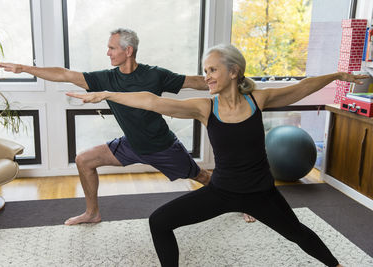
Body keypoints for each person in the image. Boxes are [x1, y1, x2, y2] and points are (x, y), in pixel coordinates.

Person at [66, 44, 365, 266]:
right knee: (159, 221)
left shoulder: (257, 100)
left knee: (298, 233)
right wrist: (106, 94)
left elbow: (302, 88)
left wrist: (338, 75)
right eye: (205, 70)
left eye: (212, 70)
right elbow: (151, 101)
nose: (206, 77)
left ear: (234, 71)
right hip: (221, 192)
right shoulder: (205, 107)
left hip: (262, 194)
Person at [0, 28, 255, 225]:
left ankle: (244, 202)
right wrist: (23, 68)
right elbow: (63, 74)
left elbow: (195, 82)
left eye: (112, 48)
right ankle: (92, 212)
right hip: (131, 145)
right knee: (84, 160)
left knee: (202, 177)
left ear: (128, 51)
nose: (107, 52)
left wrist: (234, 81)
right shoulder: (106, 78)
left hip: (162, 147)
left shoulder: (154, 74)